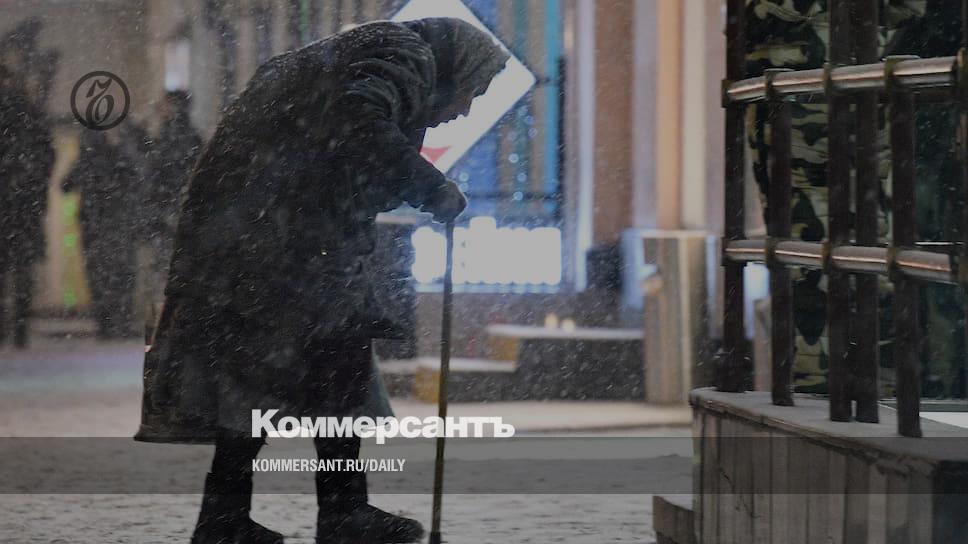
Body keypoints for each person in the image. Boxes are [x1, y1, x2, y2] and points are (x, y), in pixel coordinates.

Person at [138, 18, 508, 544]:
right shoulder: (405, 54)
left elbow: (345, 143)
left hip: (257, 235)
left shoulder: (356, 54)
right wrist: (432, 188)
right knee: (316, 369)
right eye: (472, 92)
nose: (465, 108)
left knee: (292, 374)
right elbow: (359, 123)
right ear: (456, 68)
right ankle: (326, 513)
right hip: (280, 242)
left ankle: (243, 516)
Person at [62, 130, 139, 338]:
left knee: (98, 275)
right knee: (120, 273)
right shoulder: (117, 156)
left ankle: (105, 323)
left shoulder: (86, 160)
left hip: (93, 225)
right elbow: (133, 180)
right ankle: (120, 321)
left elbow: (65, 185)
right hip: (116, 224)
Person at [0, 65, 54, 348]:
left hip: (13, 204)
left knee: (12, 267)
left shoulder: (24, 115)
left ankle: (8, 326)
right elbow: (46, 155)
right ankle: (19, 327)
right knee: (22, 267)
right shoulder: (29, 113)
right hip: (25, 204)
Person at [144, 91, 202, 291]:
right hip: (174, 212)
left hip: (170, 212)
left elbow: (160, 173)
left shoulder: (171, 137)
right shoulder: (187, 136)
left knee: (167, 268)